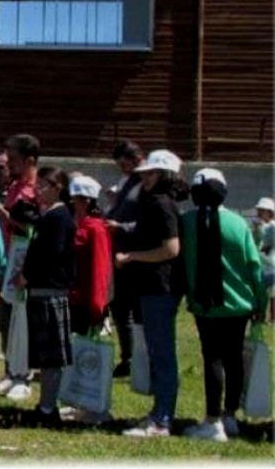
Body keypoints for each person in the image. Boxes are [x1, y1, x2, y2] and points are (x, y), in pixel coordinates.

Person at [179, 168, 267, 442]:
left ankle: (212, 420)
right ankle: (230, 416)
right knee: (234, 359)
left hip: (206, 305)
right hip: (240, 303)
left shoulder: (186, 222)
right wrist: (261, 302)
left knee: (213, 358)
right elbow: (254, 267)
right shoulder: (239, 224)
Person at [115, 149, 188, 438]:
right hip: (155, 287)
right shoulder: (158, 202)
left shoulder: (161, 204)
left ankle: (162, 419)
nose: (145, 176)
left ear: (164, 176)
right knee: (159, 353)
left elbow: (170, 249)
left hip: (160, 287)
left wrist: (132, 257)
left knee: (162, 355)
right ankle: (160, 413)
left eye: (151, 172)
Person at [13, 166, 76, 427]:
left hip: (50, 290)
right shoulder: (46, 216)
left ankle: (49, 409)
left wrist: (26, 276)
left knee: (52, 356)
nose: (38, 190)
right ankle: (45, 404)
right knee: (44, 354)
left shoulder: (58, 216)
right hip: (40, 291)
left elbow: (51, 253)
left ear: (58, 187)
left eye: (44, 185)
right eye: (37, 185)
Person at [0, 133, 41, 400]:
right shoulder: (13, 186)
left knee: (25, 319)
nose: (8, 163)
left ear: (30, 159)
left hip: (27, 260)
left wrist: (9, 219)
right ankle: (12, 370)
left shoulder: (37, 190)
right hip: (9, 258)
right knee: (8, 317)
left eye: (13, 158)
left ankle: (25, 374)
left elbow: (39, 227)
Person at [105, 139, 146, 378]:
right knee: (120, 309)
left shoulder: (146, 185)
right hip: (118, 254)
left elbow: (149, 222)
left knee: (135, 311)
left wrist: (122, 227)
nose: (123, 169)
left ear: (137, 159)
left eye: (125, 164)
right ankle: (128, 356)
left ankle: (137, 358)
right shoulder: (128, 182)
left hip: (135, 255)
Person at [68, 176, 112, 336]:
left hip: (83, 303)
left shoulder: (96, 229)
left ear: (87, 201)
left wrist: (96, 307)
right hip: (70, 297)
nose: (71, 203)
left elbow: (100, 269)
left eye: (75, 199)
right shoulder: (74, 224)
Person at [251, 196, 275, 321]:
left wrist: (260, 228)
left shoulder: (274, 226)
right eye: (260, 210)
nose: (260, 213)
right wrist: (256, 230)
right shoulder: (259, 227)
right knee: (261, 292)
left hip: (274, 262)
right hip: (263, 263)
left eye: (263, 210)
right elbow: (256, 243)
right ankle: (260, 316)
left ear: (270, 212)